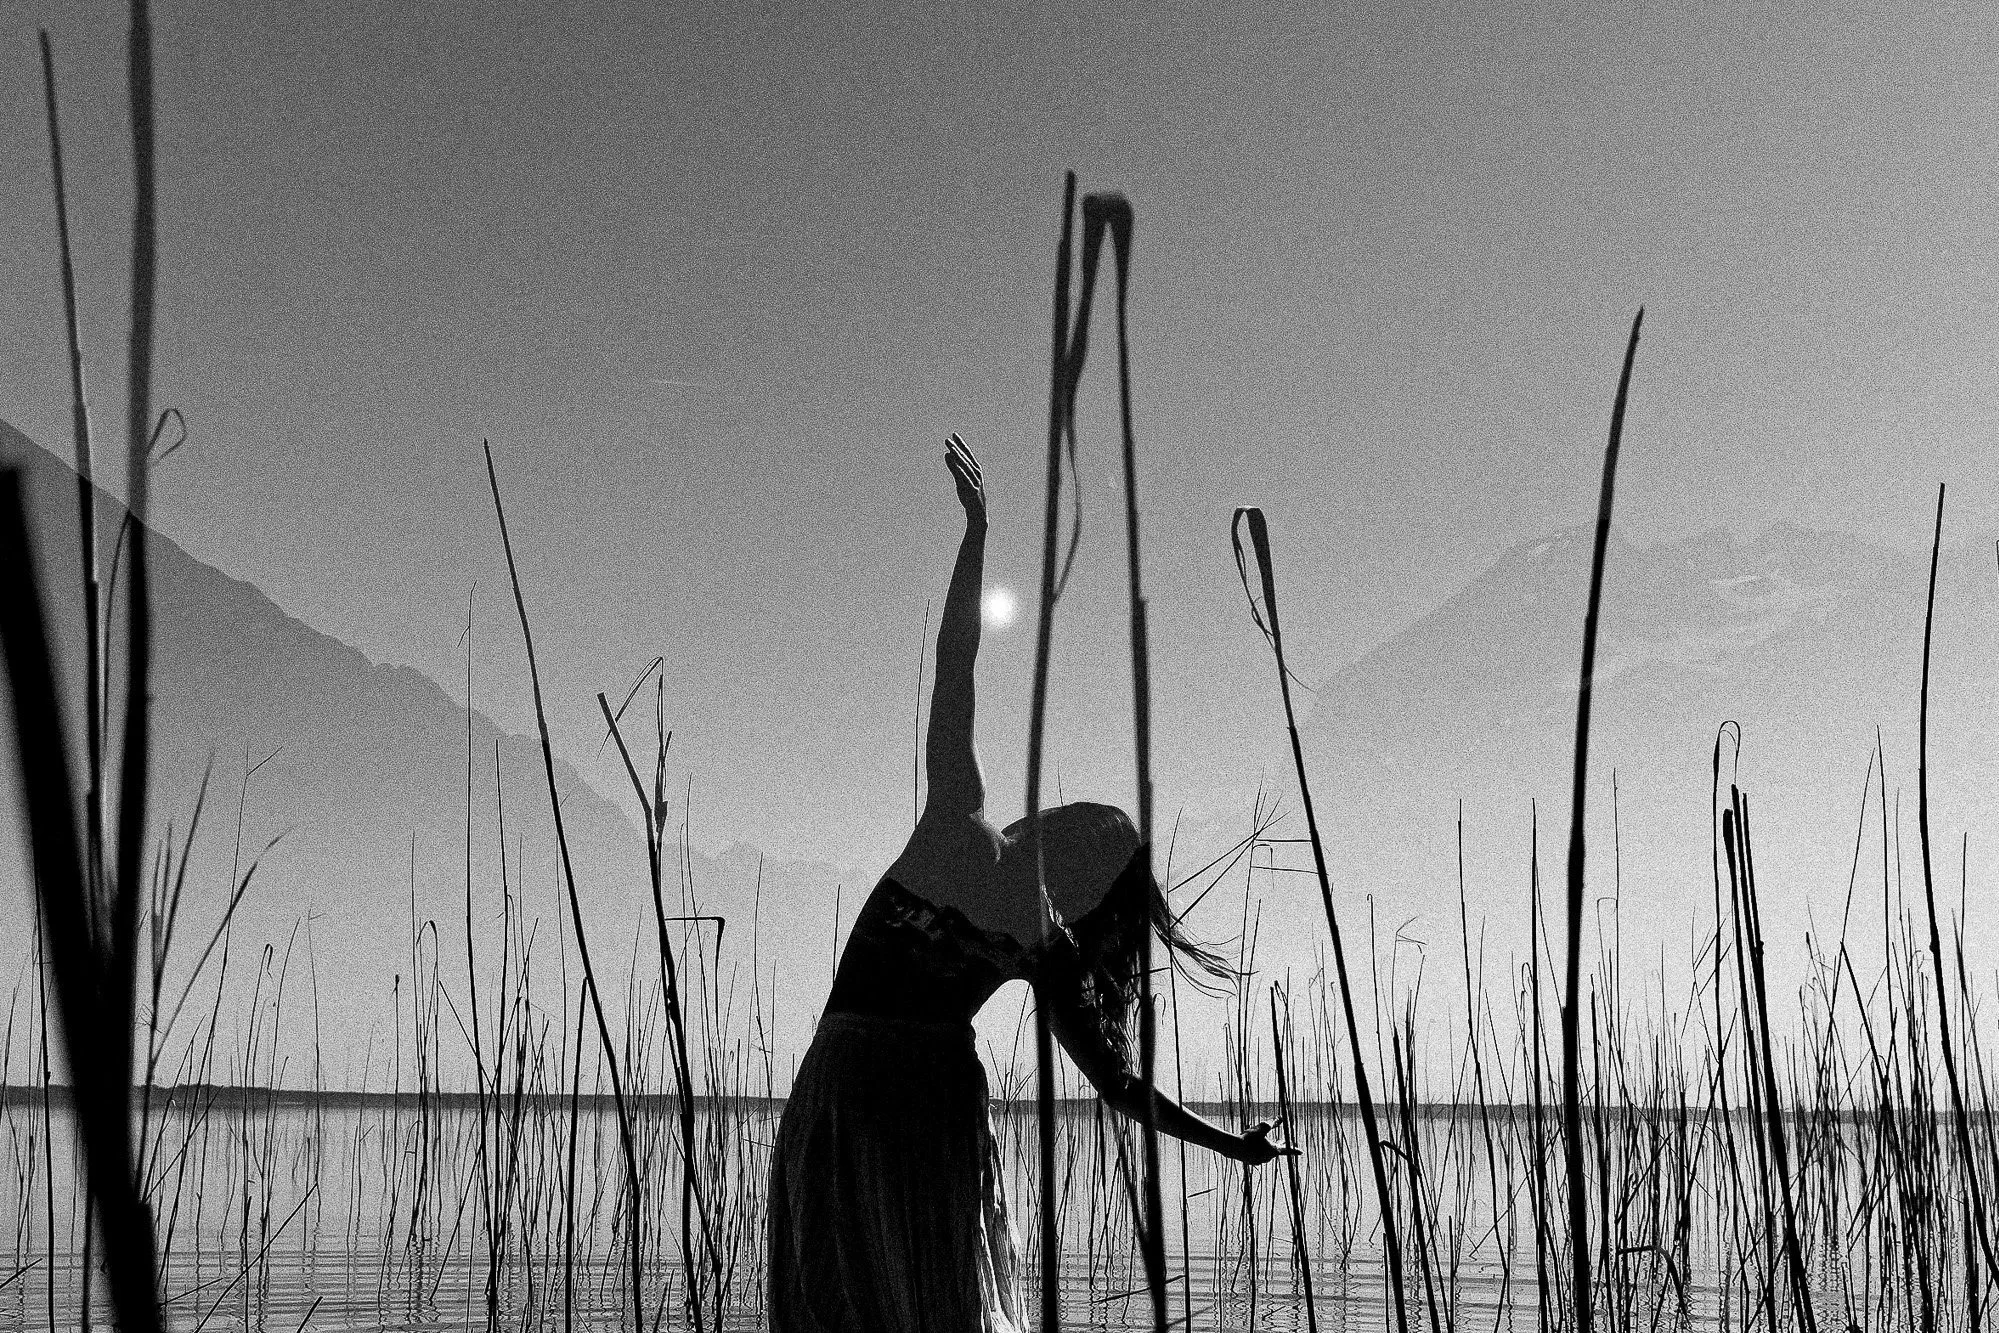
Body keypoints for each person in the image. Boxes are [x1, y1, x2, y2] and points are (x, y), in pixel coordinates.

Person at [767, 435, 1295, 1333]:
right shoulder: (1045, 942)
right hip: (926, 1106)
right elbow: (1122, 1088)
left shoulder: (959, 828)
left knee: (839, 1302)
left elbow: (956, 664)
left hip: (845, 1087)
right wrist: (1233, 1148)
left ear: (1053, 826)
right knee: (935, 1307)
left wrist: (976, 535)